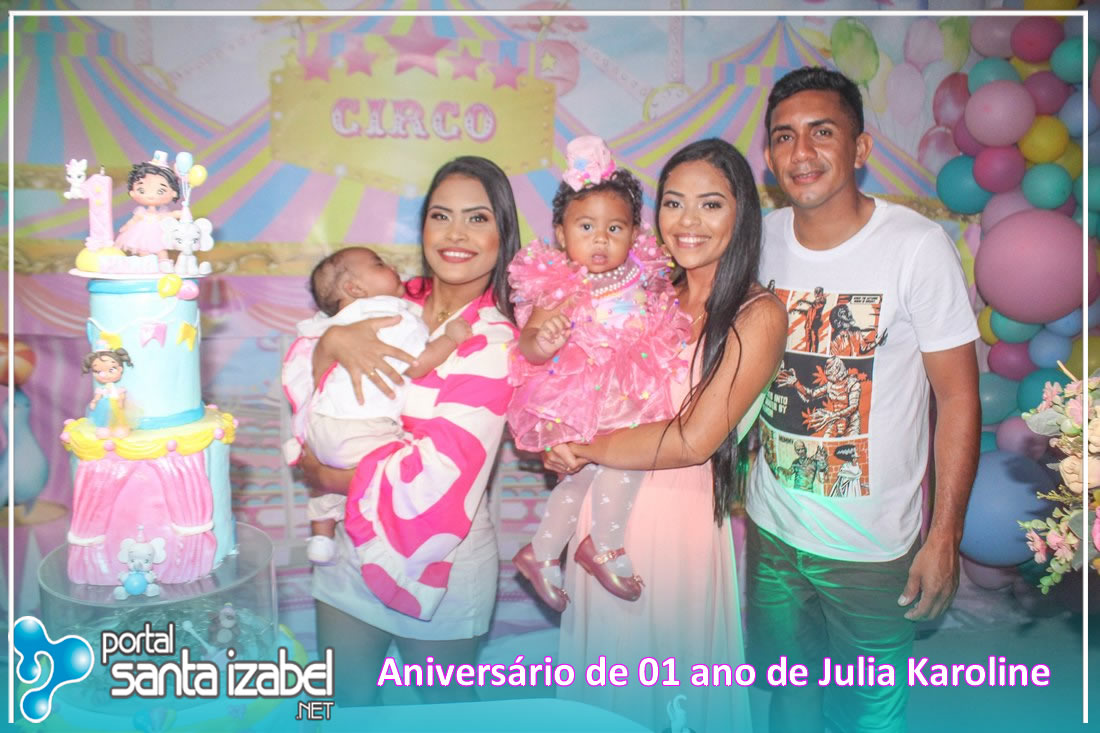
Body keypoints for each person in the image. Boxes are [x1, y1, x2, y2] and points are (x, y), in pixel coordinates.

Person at [748, 66, 980, 733]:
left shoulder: (916, 247)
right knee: (788, 695)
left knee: (868, 717)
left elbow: (958, 399)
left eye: (822, 132)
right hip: (771, 532)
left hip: (873, 550)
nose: (801, 152)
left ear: (861, 148)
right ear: (769, 156)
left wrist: (945, 535)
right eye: (784, 136)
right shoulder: (758, 237)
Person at [543, 138, 787, 732]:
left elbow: (693, 440)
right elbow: (586, 381)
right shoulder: (648, 297)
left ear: (742, 213)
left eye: (710, 204)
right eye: (674, 203)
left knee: (666, 697)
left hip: (677, 523)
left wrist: (585, 446)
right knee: (603, 695)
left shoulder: (758, 313)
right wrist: (559, 430)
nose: (688, 221)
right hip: (601, 516)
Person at [297, 156, 520, 706]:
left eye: (477, 218)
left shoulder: (494, 339)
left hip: (438, 562)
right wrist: (330, 345)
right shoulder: (392, 301)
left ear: (503, 234)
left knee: (443, 719)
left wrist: (324, 475)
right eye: (441, 216)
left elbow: (438, 472)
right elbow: (313, 389)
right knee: (339, 711)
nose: (456, 234)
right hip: (351, 550)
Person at [508, 136, 691, 610]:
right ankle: (599, 545)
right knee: (600, 468)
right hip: (585, 392)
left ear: (634, 233)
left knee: (600, 471)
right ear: (561, 232)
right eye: (586, 226)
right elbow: (527, 344)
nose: (601, 239)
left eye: (615, 227)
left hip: (631, 386)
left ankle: (543, 551)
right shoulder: (560, 284)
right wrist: (542, 340)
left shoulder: (642, 274)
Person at [282, 246, 473, 565]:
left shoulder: (334, 322)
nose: (392, 266)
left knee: (329, 479)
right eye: (379, 264)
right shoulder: (393, 316)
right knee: (398, 467)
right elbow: (417, 364)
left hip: (320, 427)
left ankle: (321, 532)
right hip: (365, 428)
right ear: (355, 288)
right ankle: (376, 530)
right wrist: (451, 338)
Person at [116, 152, 183, 265]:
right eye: (142, 190)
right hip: (143, 235)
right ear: (132, 192)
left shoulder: (161, 214)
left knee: (161, 250)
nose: (151, 195)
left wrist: (177, 214)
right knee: (143, 250)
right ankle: (145, 266)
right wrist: (126, 226)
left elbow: (168, 216)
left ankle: (164, 265)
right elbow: (134, 220)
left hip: (159, 235)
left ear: (173, 193)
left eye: (160, 191)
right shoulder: (141, 213)